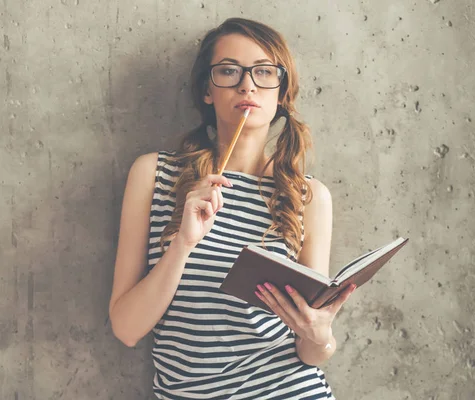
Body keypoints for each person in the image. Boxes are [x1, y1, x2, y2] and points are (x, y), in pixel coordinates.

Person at [108, 17, 356, 399]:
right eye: (229, 71)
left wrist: (320, 334)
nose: (247, 85)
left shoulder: (308, 196)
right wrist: (183, 245)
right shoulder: (154, 175)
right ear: (207, 90)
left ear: (281, 91)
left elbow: (310, 352)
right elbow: (126, 329)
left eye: (263, 72)